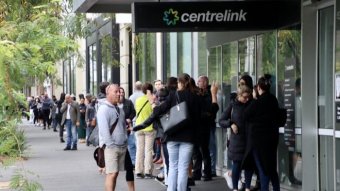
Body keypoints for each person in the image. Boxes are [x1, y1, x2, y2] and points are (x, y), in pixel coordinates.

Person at [134, 73, 211, 191]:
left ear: (180, 83)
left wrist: (152, 105)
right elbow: (205, 114)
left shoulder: (174, 95)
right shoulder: (195, 97)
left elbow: (159, 110)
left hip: (172, 136)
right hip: (188, 138)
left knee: (173, 167)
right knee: (183, 168)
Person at [243, 75, 281, 191]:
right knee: (271, 168)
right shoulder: (273, 100)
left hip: (259, 141)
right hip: (272, 139)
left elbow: (245, 115)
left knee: (262, 169)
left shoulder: (257, 102)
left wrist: (254, 99)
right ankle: (276, 189)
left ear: (258, 87)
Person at [219, 85, 253, 191]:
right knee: (236, 166)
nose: (246, 99)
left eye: (248, 97)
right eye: (244, 97)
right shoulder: (233, 105)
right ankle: (235, 188)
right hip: (237, 141)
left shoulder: (251, 104)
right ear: (239, 95)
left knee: (249, 165)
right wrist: (231, 124)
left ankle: (247, 187)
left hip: (249, 140)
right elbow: (221, 120)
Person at [97, 84, 128, 191]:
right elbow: (104, 130)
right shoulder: (103, 109)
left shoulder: (120, 109)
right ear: (108, 93)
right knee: (112, 174)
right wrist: (110, 145)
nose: (119, 93)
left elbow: (123, 126)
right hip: (111, 147)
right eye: (116, 91)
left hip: (121, 145)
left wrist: (125, 140)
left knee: (115, 174)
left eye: (119, 91)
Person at [134, 83, 155, 179]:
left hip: (139, 127)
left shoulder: (138, 100)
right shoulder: (152, 99)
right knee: (149, 150)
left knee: (139, 150)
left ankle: (138, 171)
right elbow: (155, 112)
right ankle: (148, 172)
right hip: (149, 127)